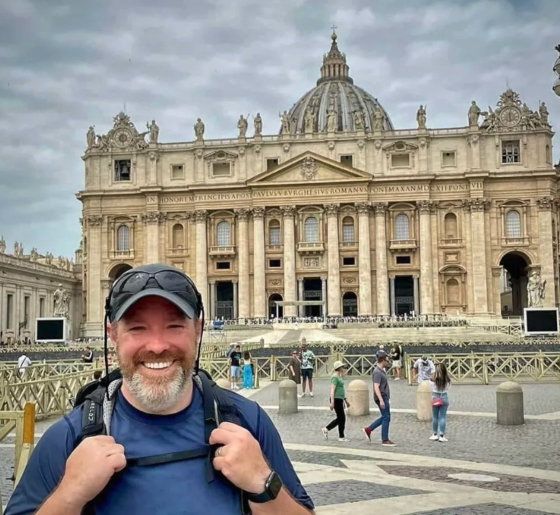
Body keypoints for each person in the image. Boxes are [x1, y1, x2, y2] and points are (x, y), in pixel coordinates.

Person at [6, 263, 314, 515]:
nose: (157, 345)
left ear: (198, 330)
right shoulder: (71, 436)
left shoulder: (247, 421)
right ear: (112, 335)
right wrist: (68, 496)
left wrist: (264, 484)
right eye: (138, 328)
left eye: (174, 326)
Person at [362, 355, 396, 447]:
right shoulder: (377, 372)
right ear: (382, 361)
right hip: (381, 396)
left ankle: (368, 429)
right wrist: (381, 400)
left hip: (384, 396)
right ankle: (384, 439)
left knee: (385, 416)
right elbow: (376, 387)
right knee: (386, 417)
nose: (388, 363)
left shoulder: (381, 371)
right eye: (387, 361)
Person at [322, 361, 350, 442]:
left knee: (340, 418)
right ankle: (341, 436)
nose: (343, 368)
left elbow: (341, 389)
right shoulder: (335, 377)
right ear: (339, 368)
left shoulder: (339, 376)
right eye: (342, 367)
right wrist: (332, 402)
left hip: (340, 399)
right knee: (342, 418)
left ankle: (327, 429)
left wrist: (345, 400)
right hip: (336, 399)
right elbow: (332, 390)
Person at [430, 362, 451, 443]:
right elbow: (448, 388)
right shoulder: (447, 379)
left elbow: (431, 387)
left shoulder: (433, 379)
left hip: (435, 397)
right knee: (442, 417)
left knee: (435, 417)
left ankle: (434, 434)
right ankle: (441, 435)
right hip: (444, 397)